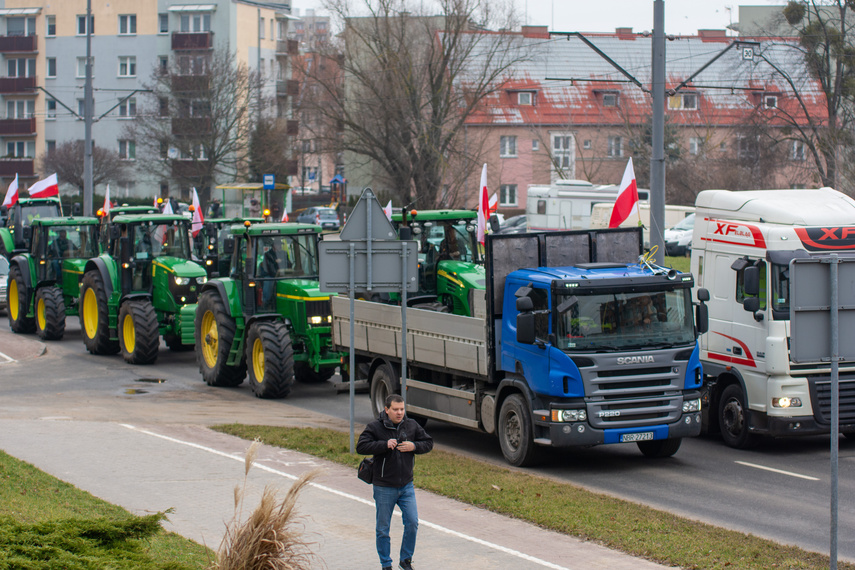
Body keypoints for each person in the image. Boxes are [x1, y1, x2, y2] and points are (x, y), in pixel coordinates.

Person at [357, 394, 433, 570]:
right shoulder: (375, 427)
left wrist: (414, 446)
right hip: (384, 487)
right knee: (383, 529)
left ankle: (405, 560)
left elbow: (428, 442)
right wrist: (384, 444)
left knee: (412, 522)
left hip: (406, 486)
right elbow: (361, 446)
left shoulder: (411, 425)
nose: (399, 413)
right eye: (396, 410)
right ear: (386, 410)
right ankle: (386, 564)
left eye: (402, 409)